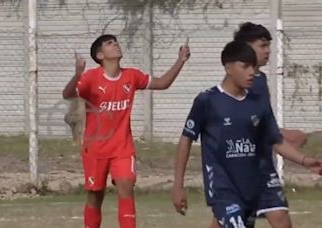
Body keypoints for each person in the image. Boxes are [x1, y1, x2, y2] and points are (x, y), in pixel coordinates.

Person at [171, 40, 322, 228]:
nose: (251, 72)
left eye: (253, 66)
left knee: (282, 220)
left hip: (255, 181)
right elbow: (186, 140)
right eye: (245, 66)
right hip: (224, 186)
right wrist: (178, 186)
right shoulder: (207, 101)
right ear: (228, 67)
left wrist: (305, 160)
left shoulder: (257, 102)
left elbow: (274, 139)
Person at [62, 34, 190, 228]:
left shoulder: (132, 76)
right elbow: (68, 94)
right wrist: (78, 74)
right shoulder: (90, 78)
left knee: (126, 188)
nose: (116, 45)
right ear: (100, 55)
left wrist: (180, 61)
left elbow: (163, 83)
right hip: (95, 150)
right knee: (95, 197)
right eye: (109, 43)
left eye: (116, 42)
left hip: (122, 148)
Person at [207, 22, 310, 228]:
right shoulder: (240, 83)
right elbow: (241, 123)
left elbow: (263, 125)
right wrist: (282, 135)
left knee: (280, 218)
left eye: (268, 46)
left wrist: (301, 157)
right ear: (246, 47)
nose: (268, 51)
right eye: (262, 45)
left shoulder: (260, 80)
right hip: (238, 165)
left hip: (261, 167)